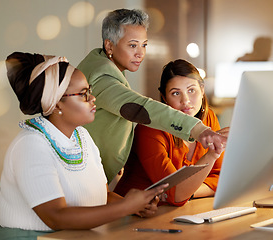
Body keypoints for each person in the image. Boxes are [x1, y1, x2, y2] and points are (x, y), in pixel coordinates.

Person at [0, 52, 167, 239]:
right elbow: (56, 217)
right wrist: (125, 207)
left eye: (90, 90)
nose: (93, 99)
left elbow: (102, 196)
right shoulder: (30, 145)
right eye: (84, 94)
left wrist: (134, 206)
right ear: (58, 103)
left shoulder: (81, 136)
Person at [77, 8, 228, 184]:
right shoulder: (101, 76)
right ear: (109, 46)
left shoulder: (104, 65)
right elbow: (141, 107)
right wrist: (199, 130)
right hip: (83, 177)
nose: (140, 53)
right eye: (133, 45)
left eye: (144, 45)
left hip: (96, 179)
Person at [114, 59, 227, 206]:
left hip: (178, 211)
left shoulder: (208, 118)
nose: (185, 101)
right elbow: (176, 195)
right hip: (132, 215)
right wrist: (212, 155)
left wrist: (189, 191)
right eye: (175, 93)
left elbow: (222, 179)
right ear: (164, 97)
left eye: (191, 90)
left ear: (202, 90)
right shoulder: (149, 129)